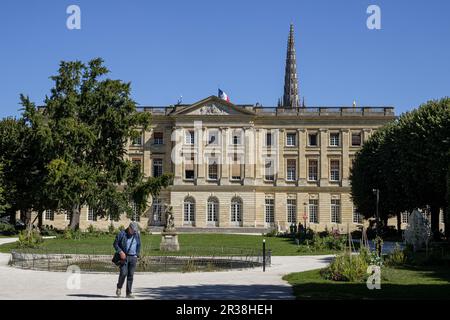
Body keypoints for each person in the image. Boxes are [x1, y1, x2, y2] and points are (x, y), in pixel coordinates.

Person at [113, 222, 141, 298]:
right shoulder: (122, 234)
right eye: (133, 230)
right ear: (129, 228)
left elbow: (139, 244)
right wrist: (120, 252)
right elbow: (115, 244)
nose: (134, 231)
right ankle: (119, 287)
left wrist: (137, 255)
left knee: (130, 275)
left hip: (133, 257)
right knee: (123, 273)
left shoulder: (137, 234)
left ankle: (128, 293)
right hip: (124, 257)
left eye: (135, 230)